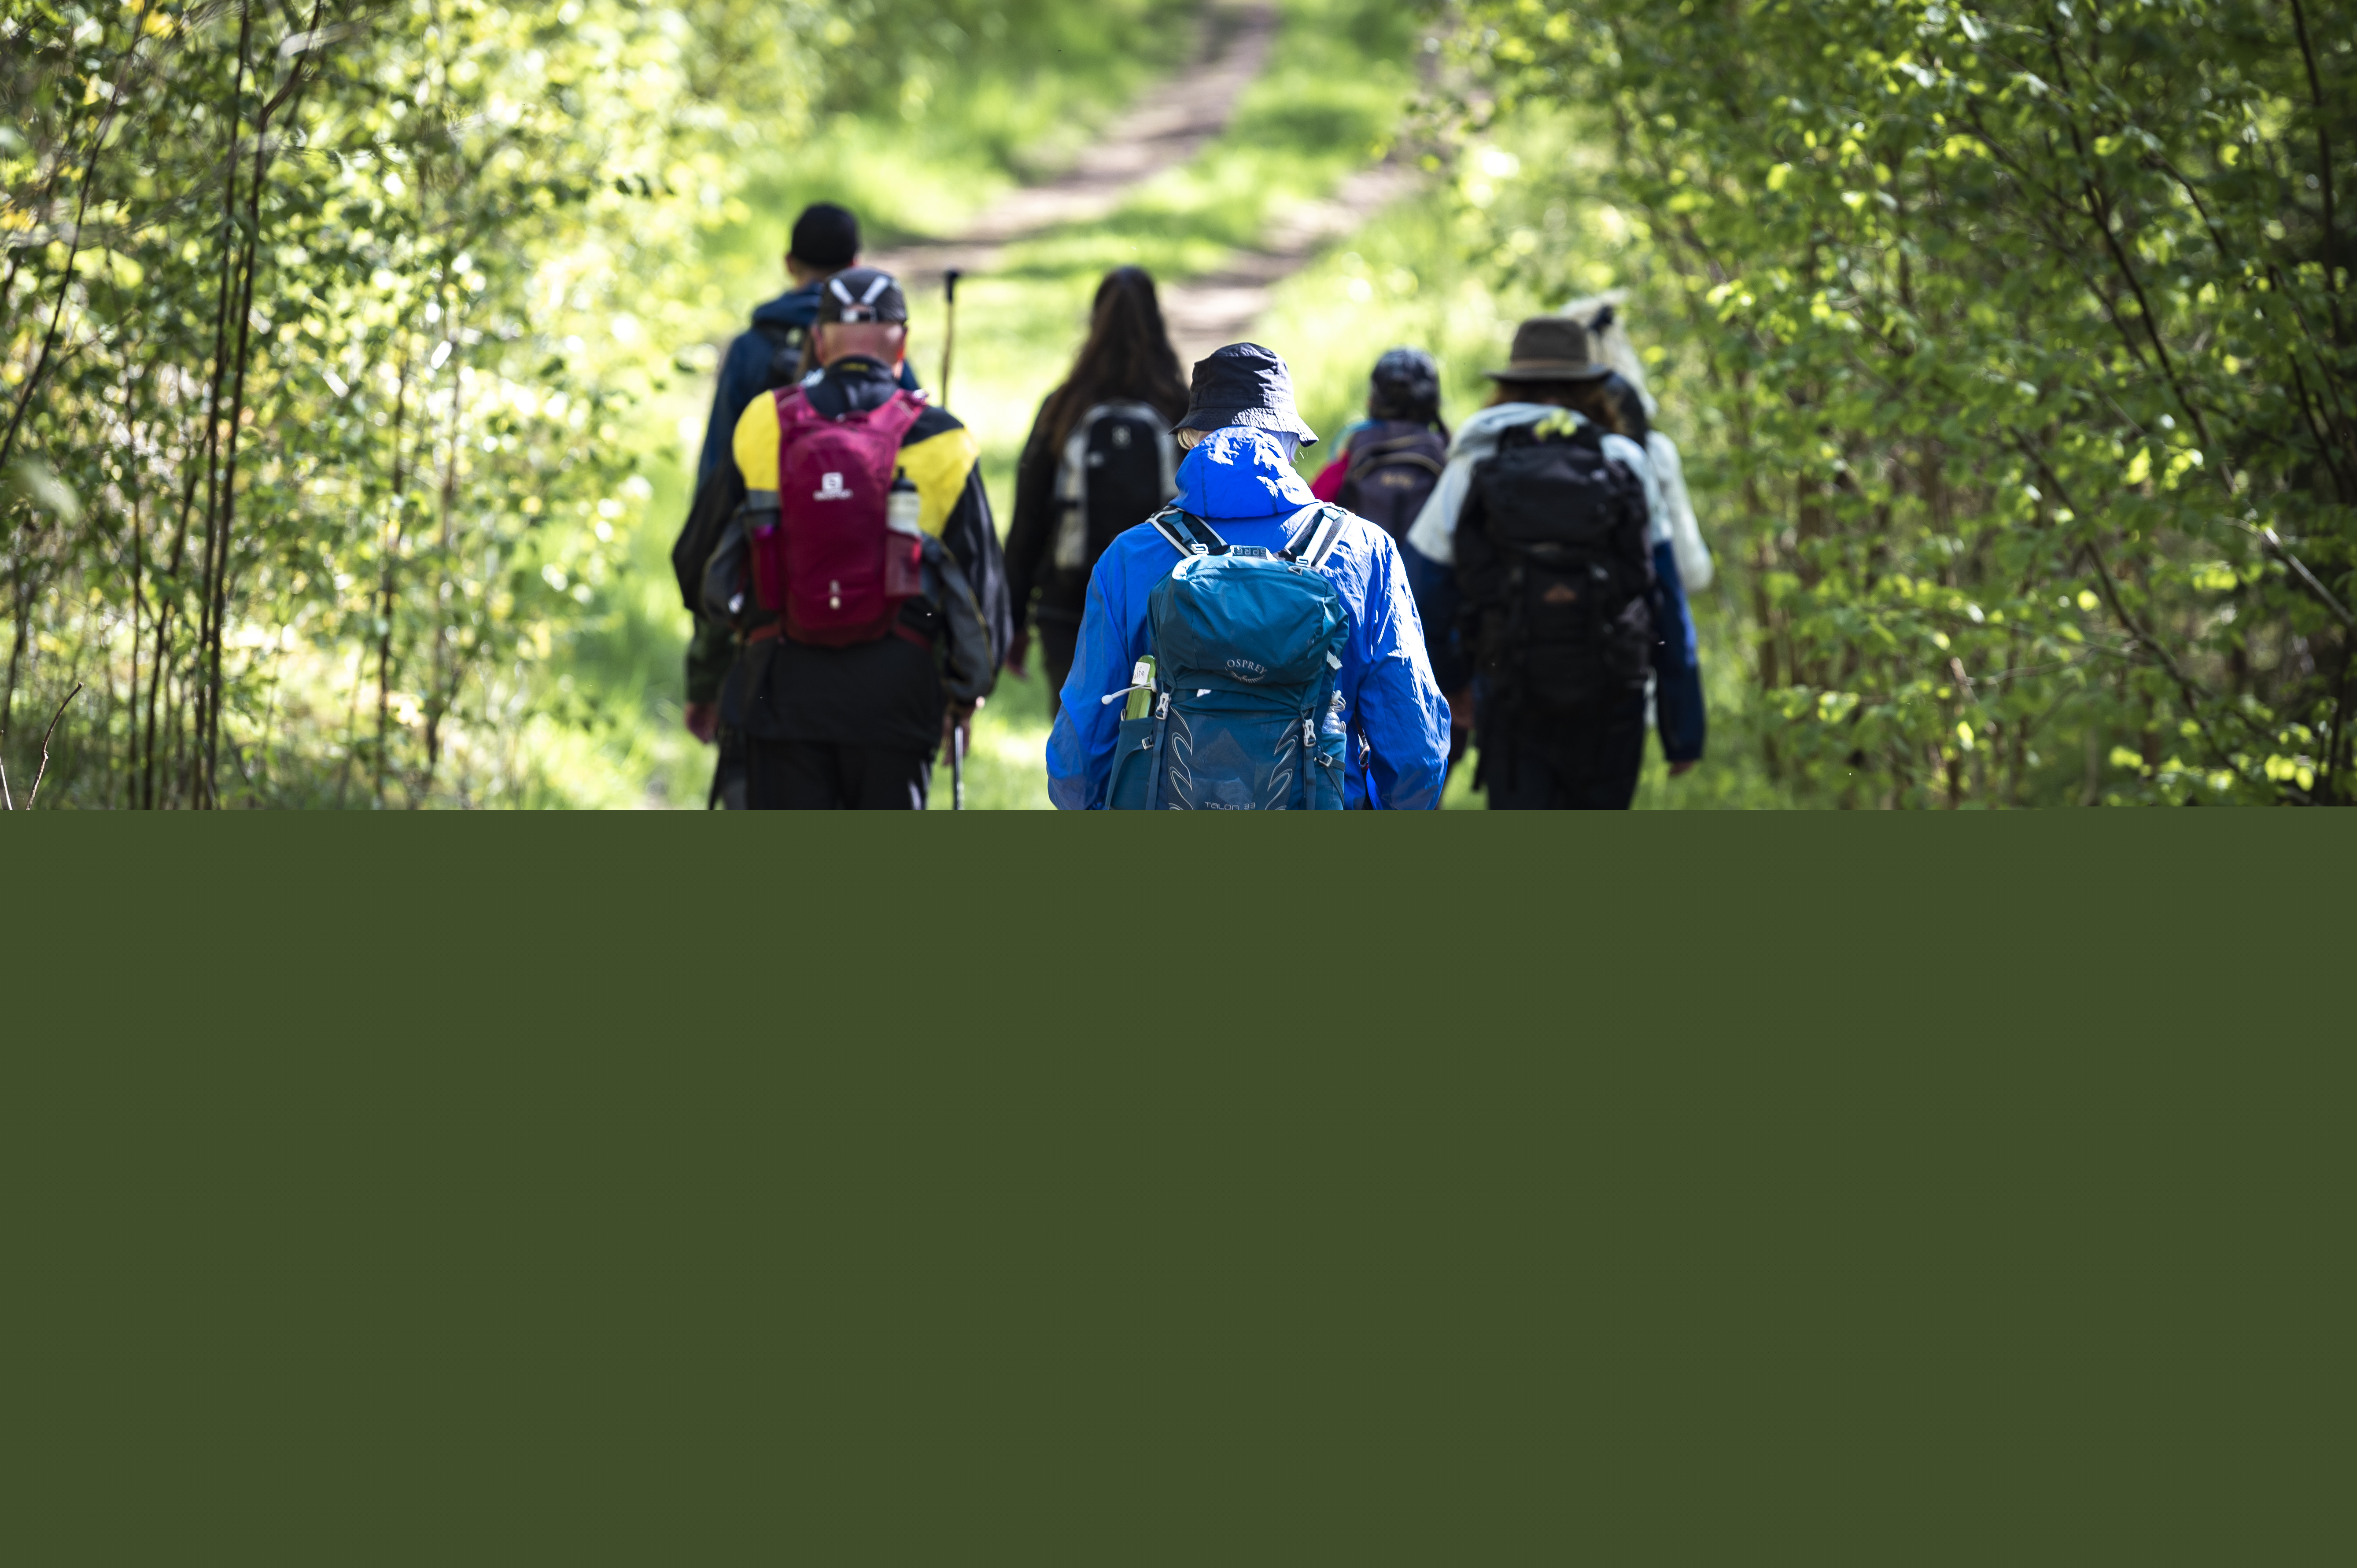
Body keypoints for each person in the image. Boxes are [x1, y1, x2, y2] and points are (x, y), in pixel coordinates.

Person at [1046, 342, 1451, 810]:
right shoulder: (1365, 551)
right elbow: (1414, 751)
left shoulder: (1131, 556)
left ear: (1191, 438)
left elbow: (1076, 757)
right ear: (1291, 441)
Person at [718, 267, 1010, 809]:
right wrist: (965, 694)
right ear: (901, 343)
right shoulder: (942, 438)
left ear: (819, 340)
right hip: (896, 696)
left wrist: (711, 673)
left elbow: (707, 564)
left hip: (781, 688)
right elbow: (980, 592)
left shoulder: (764, 422)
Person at [1402, 315, 1704, 809]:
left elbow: (1423, 587)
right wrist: (1683, 726)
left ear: (1509, 387)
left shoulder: (1475, 461)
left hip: (1510, 686)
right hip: (1613, 693)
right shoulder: (1625, 460)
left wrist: (1452, 684)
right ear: (1590, 389)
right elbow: (1664, 592)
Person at [675, 203, 921, 804]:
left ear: (790, 264)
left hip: (773, 633)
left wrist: (707, 668)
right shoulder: (888, 355)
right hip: (883, 645)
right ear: (856, 265)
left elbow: (715, 493)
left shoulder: (750, 351)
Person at [1002, 267, 1191, 722]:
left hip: (1071, 608)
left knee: (1079, 741)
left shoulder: (1064, 407)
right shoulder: (1180, 409)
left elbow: (1028, 520)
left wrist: (1013, 621)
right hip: (1163, 609)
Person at [1307, 347, 1450, 542]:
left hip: (1366, 567)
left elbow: (1312, 508)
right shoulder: (1444, 450)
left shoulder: (1358, 444)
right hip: (1427, 569)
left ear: (1374, 399)